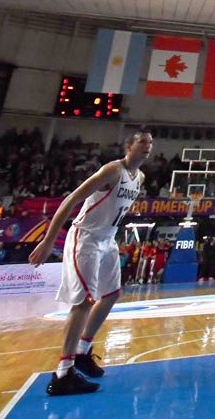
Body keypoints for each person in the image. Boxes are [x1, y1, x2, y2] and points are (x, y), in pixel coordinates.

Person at [28, 129, 151, 396]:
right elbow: (71, 200)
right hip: (86, 237)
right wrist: (50, 240)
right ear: (128, 146)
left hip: (108, 239)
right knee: (82, 303)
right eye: (143, 142)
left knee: (112, 293)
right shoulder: (112, 171)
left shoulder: (139, 177)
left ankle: (82, 351)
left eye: (151, 143)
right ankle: (63, 373)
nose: (148, 146)